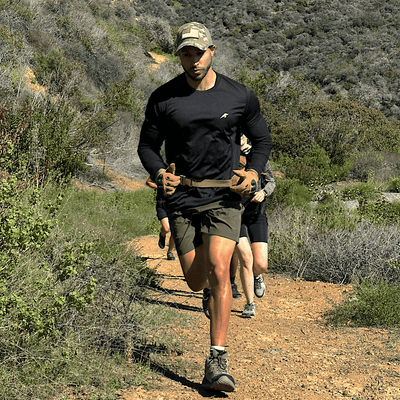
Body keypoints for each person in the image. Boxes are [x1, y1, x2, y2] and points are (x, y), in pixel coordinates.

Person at [137, 21, 272, 393]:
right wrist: (159, 171)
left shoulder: (239, 95)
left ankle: (217, 359)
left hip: (225, 197)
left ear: (212, 51)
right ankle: (213, 287)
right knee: (197, 280)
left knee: (217, 266)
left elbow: (261, 141)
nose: (193, 59)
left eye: (199, 51)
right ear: (178, 55)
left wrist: (254, 172)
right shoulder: (163, 98)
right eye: (185, 52)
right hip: (181, 198)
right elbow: (146, 146)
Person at [235, 137, 276, 318]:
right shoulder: (228, 155)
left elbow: (271, 182)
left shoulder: (258, 157)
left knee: (260, 264)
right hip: (234, 214)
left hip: (257, 213)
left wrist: (263, 192)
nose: (240, 136)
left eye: (242, 133)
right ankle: (249, 303)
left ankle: (257, 276)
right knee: (245, 257)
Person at [146, 177, 176, 260]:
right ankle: (162, 235)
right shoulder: (161, 170)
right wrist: (159, 187)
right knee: (167, 228)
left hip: (175, 205)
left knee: (174, 230)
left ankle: (170, 252)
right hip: (161, 204)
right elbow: (148, 182)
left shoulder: (179, 172)